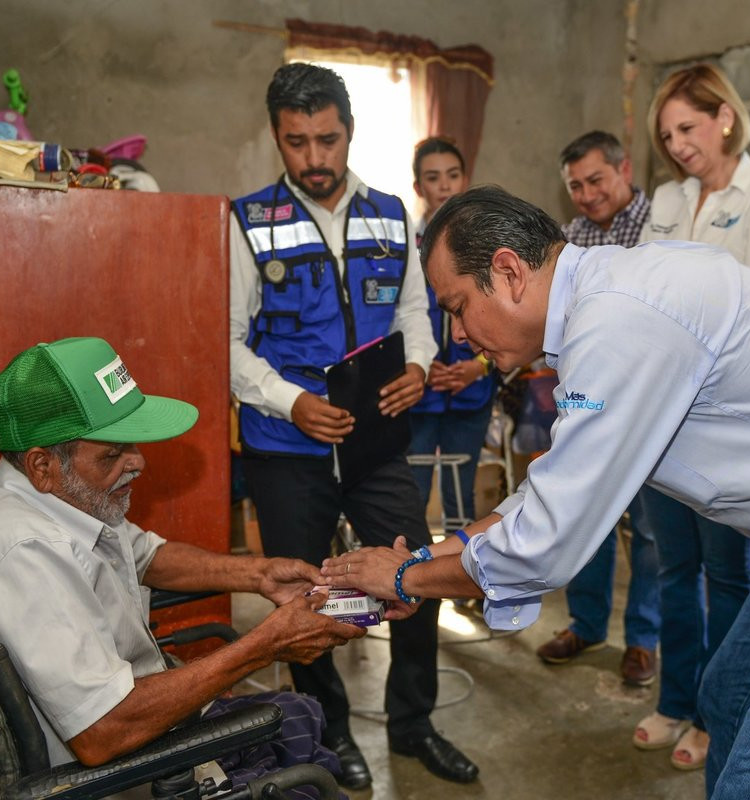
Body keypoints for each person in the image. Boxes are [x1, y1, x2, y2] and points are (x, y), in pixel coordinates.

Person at [322, 185, 750, 800]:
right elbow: (561, 480)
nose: (458, 335)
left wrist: (411, 575)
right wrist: (459, 544)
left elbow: (547, 542)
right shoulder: (607, 298)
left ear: (507, 271)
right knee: (728, 695)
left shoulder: (616, 321)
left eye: (456, 308)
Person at [0, 337, 366, 798]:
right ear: (42, 465)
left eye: (130, 442)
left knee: (299, 719)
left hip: (141, 729)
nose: (138, 462)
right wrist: (265, 645)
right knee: (307, 778)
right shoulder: (24, 554)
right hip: (116, 772)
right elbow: (103, 731)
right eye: (112, 454)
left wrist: (258, 575)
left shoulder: (67, 501)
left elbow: (147, 555)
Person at [228, 63, 478, 788]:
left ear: (350, 133)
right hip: (287, 447)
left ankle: (413, 724)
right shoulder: (246, 223)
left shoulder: (393, 214)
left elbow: (411, 317)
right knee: (305, 597)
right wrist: (288, 400)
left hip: (374, 445)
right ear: (277, 137)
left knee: (417, 576)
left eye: (327, 140)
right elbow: (226, 340)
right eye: (297, 142)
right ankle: (328, 728)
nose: (314, 159)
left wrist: (423, 368)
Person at [635, 62, 750, 770]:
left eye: (688, 127)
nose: (677, 144)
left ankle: (714, 710)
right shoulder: (668, 200)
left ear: (725, 117)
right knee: (674, 567)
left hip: (727, 416)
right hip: (662, 415)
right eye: (667, 134)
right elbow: (645, 296)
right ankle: (675, 698)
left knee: (726, 572)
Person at [532, 131, 661, 689]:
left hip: (657, 399)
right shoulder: (570, 239)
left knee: (653, 532)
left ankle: (643, 639)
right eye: (575, 186)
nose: (586, 195)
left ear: (623, 168)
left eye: (596, 180)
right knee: (588, 516)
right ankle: (586, 624)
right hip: (592, 396)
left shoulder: (661, 226)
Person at [407, 136, 496, 533]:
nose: (444, 186)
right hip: (418, 395)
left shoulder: (491, 247)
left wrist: (479, 367)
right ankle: (410, 585)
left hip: (470, 391)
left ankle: (465, 582)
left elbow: (508, 321)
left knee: (462, 495)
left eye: (453, 175)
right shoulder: (404, 249)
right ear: (418, 187)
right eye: (432, 177)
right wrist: (419, 367)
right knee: (412, 493)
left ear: (466, 180)